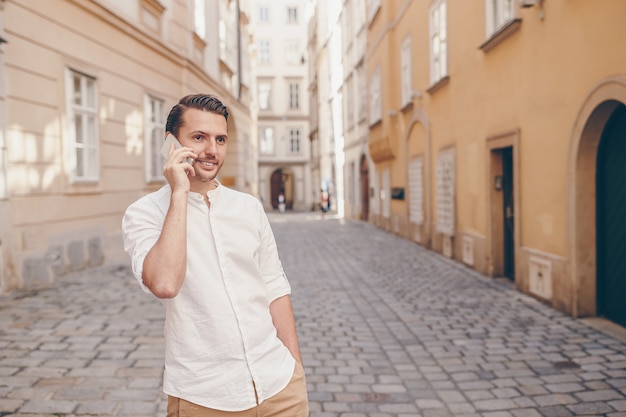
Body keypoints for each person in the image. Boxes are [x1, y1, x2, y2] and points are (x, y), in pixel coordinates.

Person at [122, 94, 308, 417]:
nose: (212, 150)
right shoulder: (144, 214)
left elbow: (275, 288)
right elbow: (165, 283)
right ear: (170, 143)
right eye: (199, 138)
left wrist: (295, 369)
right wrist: (179, 192)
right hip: (205, 398)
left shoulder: (248, 208)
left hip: (279, 388)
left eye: (220, 139)